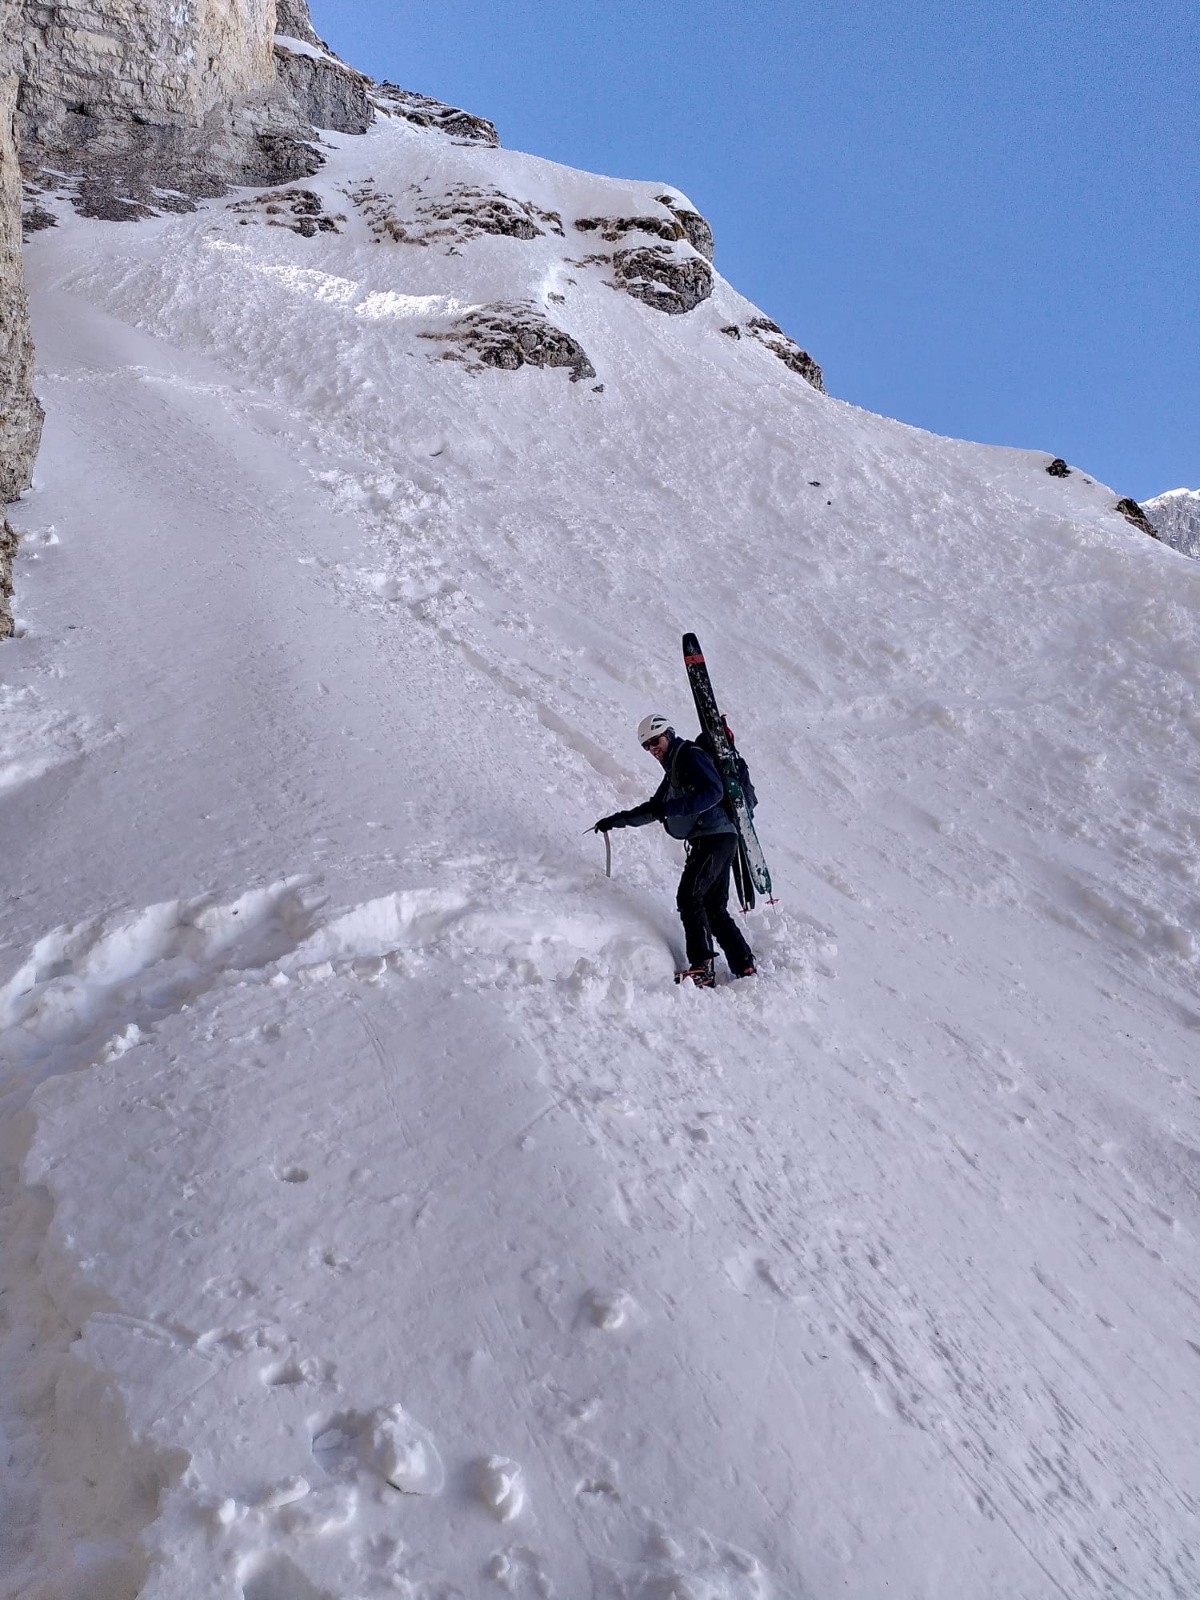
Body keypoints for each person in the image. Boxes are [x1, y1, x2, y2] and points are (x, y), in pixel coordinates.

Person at [594, 714, 755, 986]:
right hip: (721, 837)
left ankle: (702, 966)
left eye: (655, 741)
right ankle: (744, 965)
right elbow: (655, 808)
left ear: (668, 734)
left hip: (714, 837)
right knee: (714, 907)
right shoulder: (675, 769)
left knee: (689, 896)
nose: (653, 749)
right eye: (647, 746)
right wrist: (618, 820)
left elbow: (713, 792)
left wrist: (670, 808)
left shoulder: (689, 755)